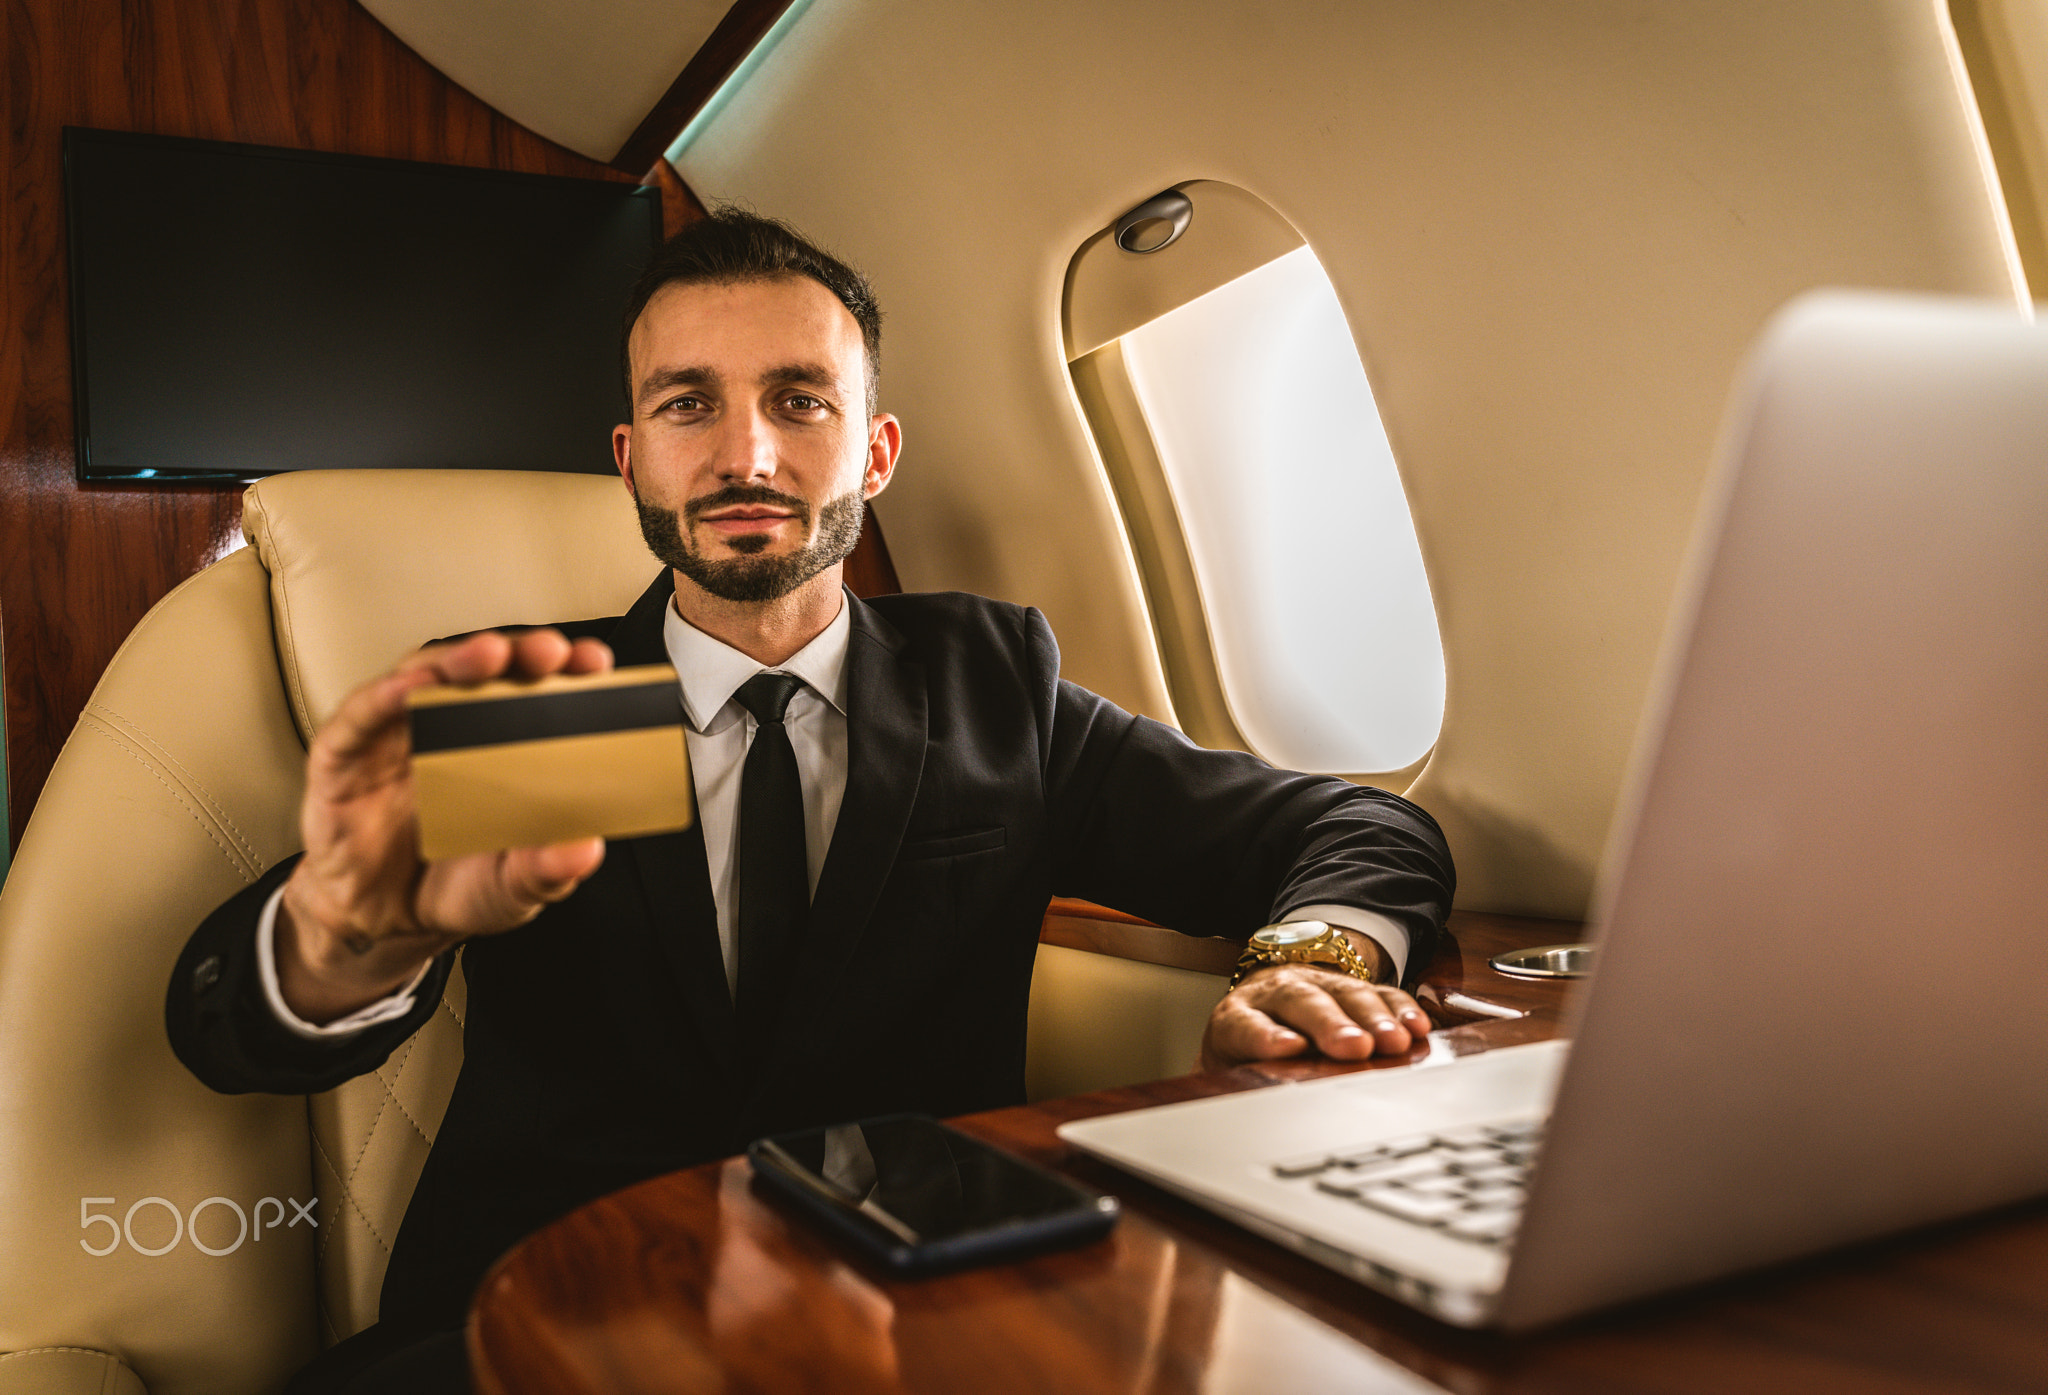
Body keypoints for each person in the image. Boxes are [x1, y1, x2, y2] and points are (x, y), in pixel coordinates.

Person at [166, 210, 1455, 1392]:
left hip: (915, 1313)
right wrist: (346, 939)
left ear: (876, 449)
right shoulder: (549, 701)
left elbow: (1356, 826)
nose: (747, 455)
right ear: (631, 459)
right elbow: (227, 1031)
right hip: (548, 1317)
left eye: (800, 400)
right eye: (689, 407)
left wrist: (1310, 959)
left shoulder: (988, 685)